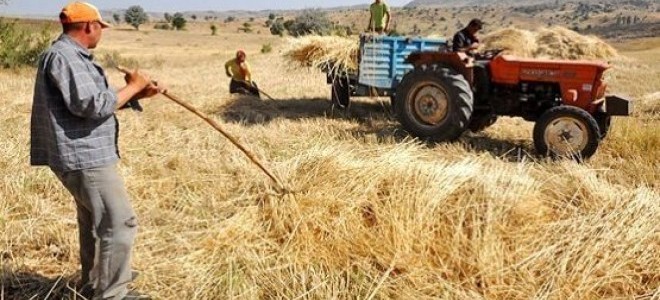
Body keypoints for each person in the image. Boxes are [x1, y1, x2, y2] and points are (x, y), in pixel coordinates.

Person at [30, 2, 162, 299]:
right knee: (119, 222)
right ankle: (113, 294)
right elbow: (91, 105)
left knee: (94, 222)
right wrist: (135, 85)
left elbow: (93, 102)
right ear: (90, 26)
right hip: (84, 157)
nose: (100, 33)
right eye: (100, 27)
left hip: (83, 154)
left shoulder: (71, 56)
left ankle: (95, 285)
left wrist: (138, 92)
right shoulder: (65, 57)